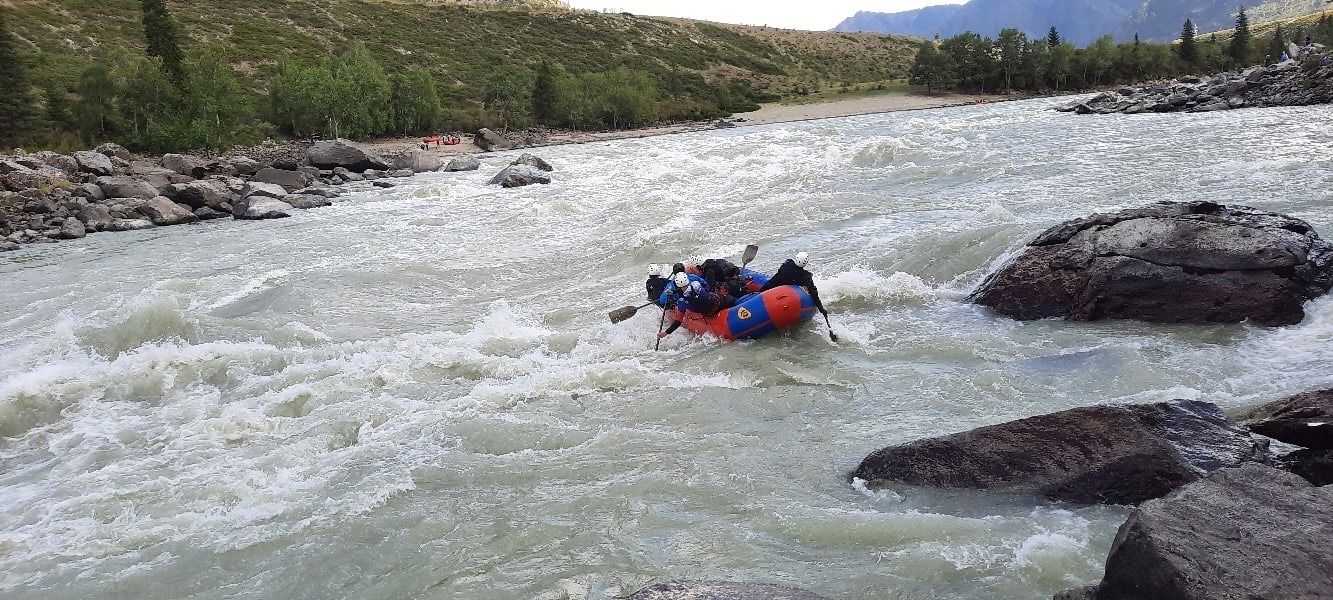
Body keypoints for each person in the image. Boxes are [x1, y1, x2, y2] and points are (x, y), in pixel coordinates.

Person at [760, 251, 829, 318]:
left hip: (769, 288)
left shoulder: (787, 263)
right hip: (781, 296)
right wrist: (821, 309)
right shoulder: (805, 276)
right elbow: (813, 292)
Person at [657, 271, 721, 338]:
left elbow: (678, 321)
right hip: (717, 302)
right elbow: (693, 289)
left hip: (708, 312)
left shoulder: (681, 302)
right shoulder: (696, 284)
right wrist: (674, 292)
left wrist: (666, 333)